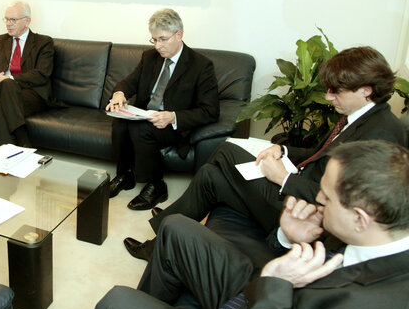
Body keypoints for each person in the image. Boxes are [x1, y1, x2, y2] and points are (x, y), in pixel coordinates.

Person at [95, 140, 409, 309]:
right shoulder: (370, 235)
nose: (318, 201)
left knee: (114, 305)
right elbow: (308, 263)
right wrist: (289, 237)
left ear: (360, 218)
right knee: (176, 227)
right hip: (254, 297)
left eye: (326, 197)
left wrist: (275, 283)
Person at [124, 45, 407, 260]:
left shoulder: (380, 134)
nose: (329, 96)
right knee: (210, 174)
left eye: (336, 91)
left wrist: (283, 177)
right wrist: (283, 148)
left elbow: (342, 203)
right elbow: (323, 152)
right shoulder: (361, 116)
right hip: (299, 187)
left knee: (226, 149)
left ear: (366, 91)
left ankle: (165, 226)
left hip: (304, 212)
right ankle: (158, 241)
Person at [106, 9, 219, 211]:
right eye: (154, 40)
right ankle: (125, 175)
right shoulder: (149, 58)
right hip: (146, 115)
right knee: (119, 124)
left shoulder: (201, 65)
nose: (158, 46)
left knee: (141, 130)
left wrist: (173, 116)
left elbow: (210, 110)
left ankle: (156, 185)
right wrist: (119, 94)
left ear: (179, 35)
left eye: (163, 39)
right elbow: (128, 82)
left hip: (173, 124)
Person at [0, 0, 54, 147]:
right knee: (6, 86)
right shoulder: (1, 41)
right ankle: (23, 139)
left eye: (13, 20)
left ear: (27, 21)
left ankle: (8, 152)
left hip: (31, 94)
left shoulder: (43, 42)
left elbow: (41, 74)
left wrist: (7, 79)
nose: (8, 24)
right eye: (6, 19)